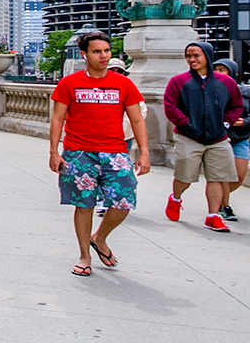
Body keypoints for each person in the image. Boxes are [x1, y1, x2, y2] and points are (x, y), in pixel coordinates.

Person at [49, 30, 149, 276]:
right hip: (78, 152)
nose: (103, 56)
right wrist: (54, 151)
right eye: (97, 51)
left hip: (114, 152)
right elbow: (57, 119)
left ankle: (100, 237)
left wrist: (144, 152)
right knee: (84, 205)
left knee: (124, 200)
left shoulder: (124, 83)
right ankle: (84, 256)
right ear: (84, 55)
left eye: (106, 51)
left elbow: (137, 120)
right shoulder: (69, 83)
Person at [162, 41, 244, 232]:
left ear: (207, 56)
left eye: (196, 55)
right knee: (185, 177)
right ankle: (175, 198)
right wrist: (187, 124)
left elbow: (236, 106)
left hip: (218, 138)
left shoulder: (226, 82)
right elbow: (170, 107)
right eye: (188, 56)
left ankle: (213, 216)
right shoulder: (178, 81)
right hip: (188, 136)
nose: (192, 60)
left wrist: (225, 123)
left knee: (216, 177)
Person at [94, 57, 149, 217]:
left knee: (119, 171)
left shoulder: (128, 87)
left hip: (123, 138)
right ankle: (102, 200)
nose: (116, 74)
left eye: (120, 71)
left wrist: (124, 125)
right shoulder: (96, 88)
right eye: (112, 71)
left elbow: (141, 112)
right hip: (100, 137)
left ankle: (114, 201)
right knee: (99, 169)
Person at [211, 58, 248, 221]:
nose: (218, 73)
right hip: (219, 139)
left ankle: (217, 198)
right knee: (224, 175)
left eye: (222, 70)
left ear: (232, 73)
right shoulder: (209, 90)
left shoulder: (245, 92)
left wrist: (245, 122)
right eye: (216, 69)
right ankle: (225, 206)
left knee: (238, 177)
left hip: (240, 138)